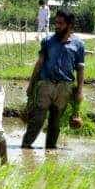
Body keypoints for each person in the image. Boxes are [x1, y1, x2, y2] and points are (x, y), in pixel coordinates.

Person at [21, 9, 85, 149]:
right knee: (37, 119)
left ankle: (50, 149)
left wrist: (79, 91)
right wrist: (31, 86)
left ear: (69, 25)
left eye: (60, 23)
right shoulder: (48, 41)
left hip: (64, 87)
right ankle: (26, 147)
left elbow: (80, 69)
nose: (56, 26)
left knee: (55, 122)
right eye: (55, 23)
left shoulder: (79, 45)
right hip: (46, 85)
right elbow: (39, 64)